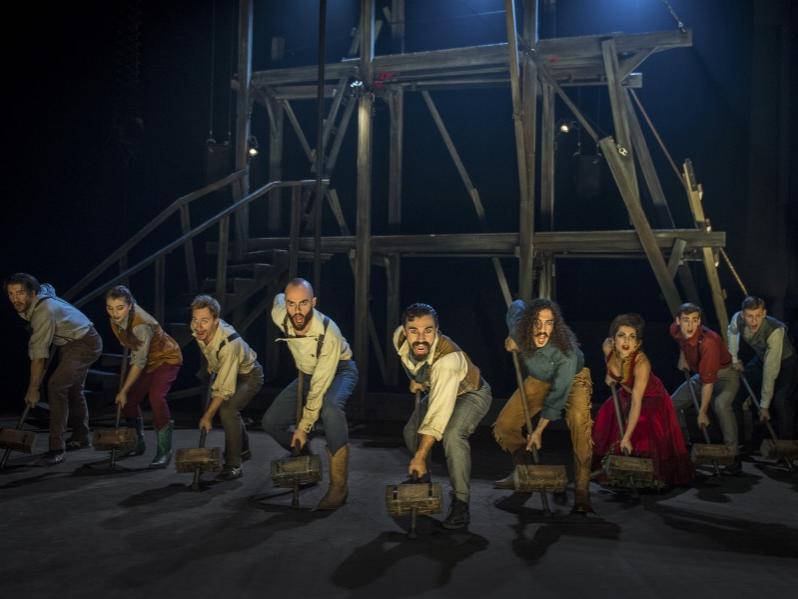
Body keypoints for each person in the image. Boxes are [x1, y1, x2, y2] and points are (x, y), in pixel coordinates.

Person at [261, 279, 358, 510]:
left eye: (303, 303)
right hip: (308, 373)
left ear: (313, 302)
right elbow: (277, 298)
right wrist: (281, 297)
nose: (297, 311)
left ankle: (339, 488)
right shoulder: (280, 314)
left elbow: (320, 387)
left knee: (331, 409)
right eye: (292, 303)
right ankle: (305, 459)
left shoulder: (328, 332)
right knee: (270, 422)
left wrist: (304, 426)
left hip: (339, 370)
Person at [394, 302, 492, 529]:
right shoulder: (398, 337)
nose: (420, 338)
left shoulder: (447, 361)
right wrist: (418, 377)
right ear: (404, 330)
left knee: (452, 435)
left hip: (471, 393)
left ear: (437, 331)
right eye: (413, 331)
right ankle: (423, 482)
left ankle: (461, 505)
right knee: (410, 432)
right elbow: (412, 361)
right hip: (439, 387)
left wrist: (420, 455)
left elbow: (436, 418)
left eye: (428, 331)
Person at [493, 298, 593, 514]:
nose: (542, 329)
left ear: (555, 326)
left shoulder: (566, 354)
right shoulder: (520, 327)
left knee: (579, 426)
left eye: (548, 323)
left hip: (573, 380)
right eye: (537, 322)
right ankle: (525, 473)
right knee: (505, 425)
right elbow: (516, 305)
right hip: (539, 379)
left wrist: (538, 431)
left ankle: (582, 494)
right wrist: (513, 337)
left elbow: (557, 396)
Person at [5, 273, 103, 465]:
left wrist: (33, 390)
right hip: (69, 342)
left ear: (33, 293)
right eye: (11, 294)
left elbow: (38, 356)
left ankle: (56, 448)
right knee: (73, 390)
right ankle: (81, 437)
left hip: (86, 343)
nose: (15, 298)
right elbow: (48, 286)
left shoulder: (43, 312)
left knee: (56, 386)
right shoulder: (39, 294)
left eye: (20, 293)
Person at [592, 313, 695, 487]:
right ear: (613, 339)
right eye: (621, 335)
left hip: (650, 397)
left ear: (638, 343)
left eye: (632, 337)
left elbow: (637, 401)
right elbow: (611, 366)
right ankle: (610, 467)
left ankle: (645, 472)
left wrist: (627, 437)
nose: (626, 341)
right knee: (606, 416)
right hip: (625, 393)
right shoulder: (607, 347)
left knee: (642, 426)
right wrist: (608, 375)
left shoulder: (641, 363)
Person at [105, 285, 182, 468]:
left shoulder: (141, 325)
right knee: (130, 401)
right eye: (110, 308)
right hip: (147, 360)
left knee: (156, 398)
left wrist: (123, 389)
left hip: (166, 358)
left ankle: (164, 451)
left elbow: (139, 362)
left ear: (130, 305)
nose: (115, 313)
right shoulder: (116, 319)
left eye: (120, 308)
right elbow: (136, 351)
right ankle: (136, 443)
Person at [191, 295, 263, 480]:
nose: (198, 326)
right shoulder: (199, 330)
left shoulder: (230, 345)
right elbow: (210, 351)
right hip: (227, 370)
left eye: (204, 321)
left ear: (216, 321)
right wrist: (212, 366)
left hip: (250, 376)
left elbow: (224, 389)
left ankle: (233, 464)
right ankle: (243, 450)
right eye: (195, 319)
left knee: (227, 410)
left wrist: (207, 416)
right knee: (229, 410)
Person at [669, 302, 741, 474]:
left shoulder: (709, 342)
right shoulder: (674, 329)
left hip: (725, 375)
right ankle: (683, 447)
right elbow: (682, 340)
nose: (691, 325)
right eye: (686, 320)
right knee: (671, 405)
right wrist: (683, 356)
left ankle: (733, 455)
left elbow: (709, 383)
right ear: (678, 321)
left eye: (695, 320)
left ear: (699, 321)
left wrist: (702, 412)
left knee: (720, 405)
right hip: (702, 375)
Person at [728, 296, 797, 440]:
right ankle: (740, 442)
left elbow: (770, 371)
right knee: (736, 391)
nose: (754, 321)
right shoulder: (737, 318)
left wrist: (764, 406)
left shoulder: (775, 331)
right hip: (761, 358)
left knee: (780, 400)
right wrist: (734, 358)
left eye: (758, 316)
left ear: (764, 313)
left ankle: (787, 444)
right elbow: (732, 332)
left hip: (787, 363)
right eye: (750, 316)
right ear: (743, 315)